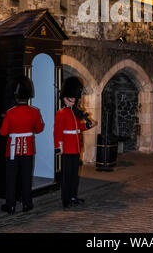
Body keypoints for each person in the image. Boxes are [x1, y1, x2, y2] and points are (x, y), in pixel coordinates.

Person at [0, 75, 45, 214]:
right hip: (29, 150)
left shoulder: (10, 113)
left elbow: (3, 132)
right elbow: (39, 129)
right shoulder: (35, 111)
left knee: (11, 178)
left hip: (12, 150)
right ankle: (27, 204)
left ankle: (11, 205)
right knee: (26, 177)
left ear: (16, 96)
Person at [54, 76, 97, 208]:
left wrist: (89, 125)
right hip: (67, 148)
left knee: (74, 175)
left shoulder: (77, 113)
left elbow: (79, 128)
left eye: (74, 97)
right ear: (65, 98)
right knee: (67, 175)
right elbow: (57, 132)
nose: (73, 100)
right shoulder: (61, 113)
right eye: (71, 97)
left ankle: (73, 196)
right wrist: (58, 147)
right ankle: (65, 199)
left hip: (76, 147)